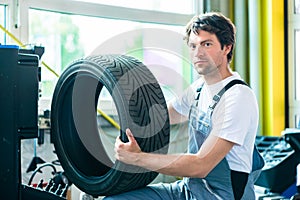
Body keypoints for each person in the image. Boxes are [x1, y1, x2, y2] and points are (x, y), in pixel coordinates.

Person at [104, 12, 264, 200]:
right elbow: (160, 118)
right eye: (193, 46)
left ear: (226, 47)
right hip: (189, 190)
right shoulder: (198, 89)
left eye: (207, 44)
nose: (198, 53)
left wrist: (138, 158)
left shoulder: (237, 97)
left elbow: (201, 165)